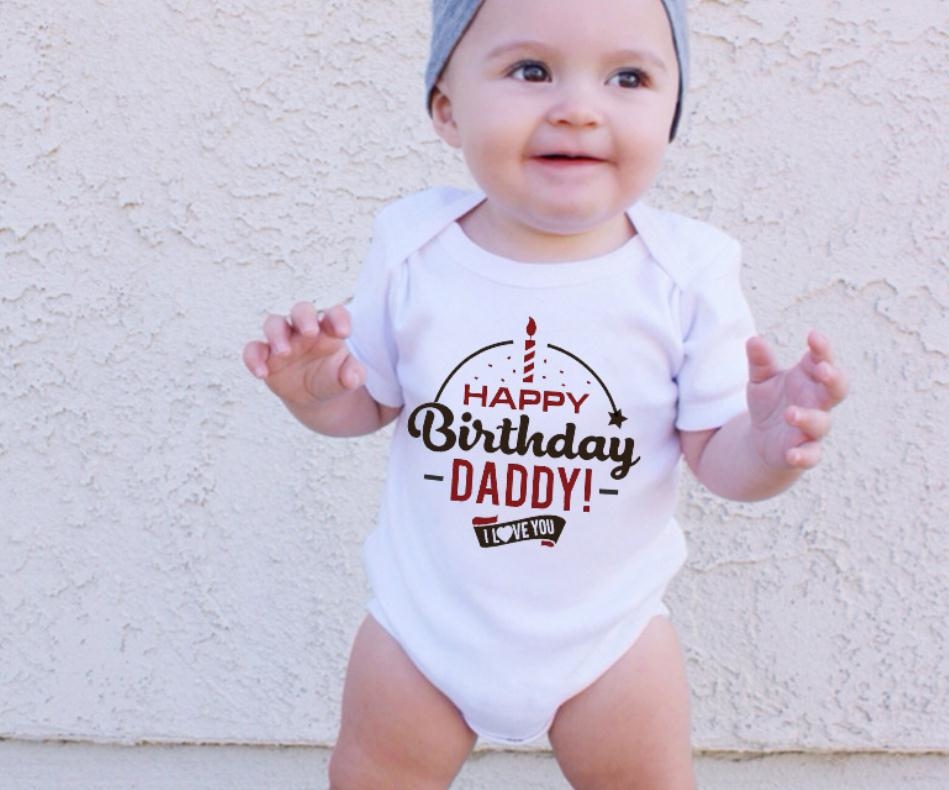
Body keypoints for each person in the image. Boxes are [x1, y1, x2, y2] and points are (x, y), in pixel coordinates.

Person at [242, 0, 849, 786]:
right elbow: (369, 401)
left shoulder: (687, 272)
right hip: (423, 626)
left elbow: (716, 457)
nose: (578, 109)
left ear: (672, 112)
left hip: (609, 636)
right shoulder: (413, 245)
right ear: (446, 108)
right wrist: (315, 395)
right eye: (530, 70)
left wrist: (764, 448)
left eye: (627, 78)